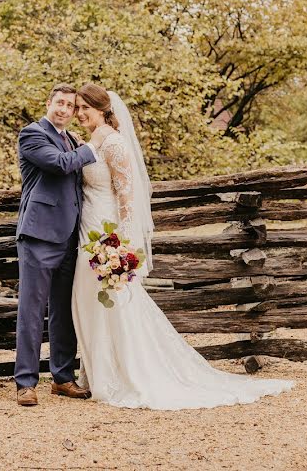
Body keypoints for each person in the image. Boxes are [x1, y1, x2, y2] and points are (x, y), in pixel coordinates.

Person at [70, 83, 294, 409]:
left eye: (83, 108)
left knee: (115, 303)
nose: (79, 114)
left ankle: (125, 374)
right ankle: (96, 372)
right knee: (91, 301)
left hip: (108, 234)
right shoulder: (92, 141)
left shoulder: (114, 143)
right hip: (88, 228)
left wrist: (125, 244)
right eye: (77, 108)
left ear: (102, 108)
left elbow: (127, 197)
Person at [13, 83, 106, 407]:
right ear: (49, 103)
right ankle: (25, 383)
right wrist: (94, 145)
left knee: (64, 310)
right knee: (32, 311)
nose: (66, 110)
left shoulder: (70, 138)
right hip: (39, 235)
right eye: (61, 103)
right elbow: (59, 164)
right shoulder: (32, 134)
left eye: (71, 105)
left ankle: (62, 378)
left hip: (70, 236)